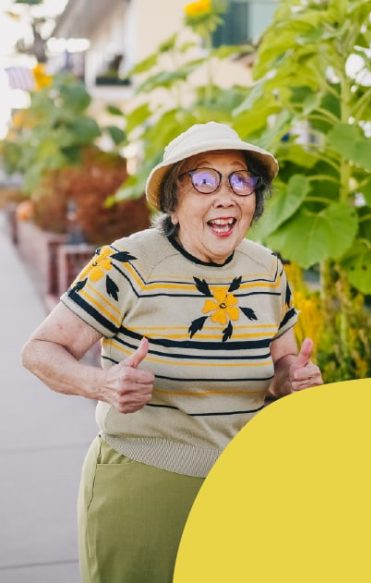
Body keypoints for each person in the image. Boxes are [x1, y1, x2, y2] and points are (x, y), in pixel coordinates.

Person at [20, 122, 323, 582]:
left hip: (244, 483)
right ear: (173, 200)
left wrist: (289, 379)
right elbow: (40, 350)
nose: (226, 195)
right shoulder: (127, 264)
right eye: (204, 179)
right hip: (145, 484)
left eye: (240, 180)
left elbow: (281, 363)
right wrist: (102, 383)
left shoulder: (266, 268)